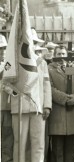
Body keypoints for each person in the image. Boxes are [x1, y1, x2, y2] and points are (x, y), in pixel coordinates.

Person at [10, 30, 52, 162]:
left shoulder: (41, 63)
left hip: (37, 107)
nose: (30, 44)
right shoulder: (12, 62)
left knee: (38, 143)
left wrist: (47, 105)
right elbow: (4, 82)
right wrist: (15, 92)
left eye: (33, 42)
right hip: (19, 107)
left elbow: (46, 85)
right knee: (20, 143)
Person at [48, 45, 74, 162]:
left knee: (70, 152)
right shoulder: (48, 69)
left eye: (63, 54)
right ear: (54, 56)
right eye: (58, 54)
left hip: (73, 115)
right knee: (57, 151)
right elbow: (50, 89)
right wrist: (66, 99)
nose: (61, 56)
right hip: (57, 115)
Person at [0, 34, 14, 162]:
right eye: (0, 49)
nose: (3, 52)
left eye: (4, 48)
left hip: (6, 108)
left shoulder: (9, 66)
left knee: (7, 141)